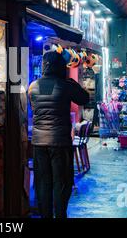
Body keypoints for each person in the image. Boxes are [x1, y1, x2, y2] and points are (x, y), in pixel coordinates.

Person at [28, 51, 89, 218]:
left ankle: (45, 216)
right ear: (61, 66)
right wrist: (71, 81)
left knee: (43, 183)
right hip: (60, 142)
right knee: (61, 182)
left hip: (39, 142)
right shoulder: (65, 85)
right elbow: (85, 98)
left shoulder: (33, 86)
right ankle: (60, 215)